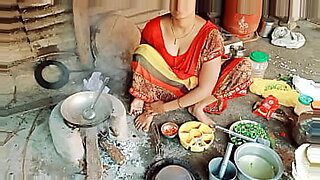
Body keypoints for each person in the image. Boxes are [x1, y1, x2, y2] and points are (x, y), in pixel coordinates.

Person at [129, 0, 252, 132]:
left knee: (243, 67)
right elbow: (145, 68)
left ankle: (197, 107)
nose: (179, 5)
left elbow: (205, 89)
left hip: (196, 91)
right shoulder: (153, 27)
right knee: (142, 53)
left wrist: (162, 108)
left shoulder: (211, 36)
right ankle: (149, 105)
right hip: (166, 87)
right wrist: (140, 97)